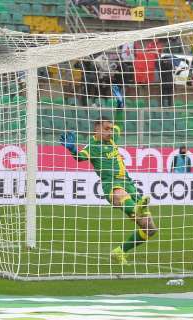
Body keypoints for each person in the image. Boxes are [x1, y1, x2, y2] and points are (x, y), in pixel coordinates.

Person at [60, 87, 156, 265]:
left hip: (129, 184)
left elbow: (119, 120)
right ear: (97, 129)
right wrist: (73, 149)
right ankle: (135, 208)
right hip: (111, 185)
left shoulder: (112, 139)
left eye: (111, 128)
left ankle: (120, 251)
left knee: (150, 229)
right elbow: (80, 157)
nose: (111, 131)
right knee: (121, 195)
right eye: (107, 128)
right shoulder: (93, 145)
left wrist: (120, 105)